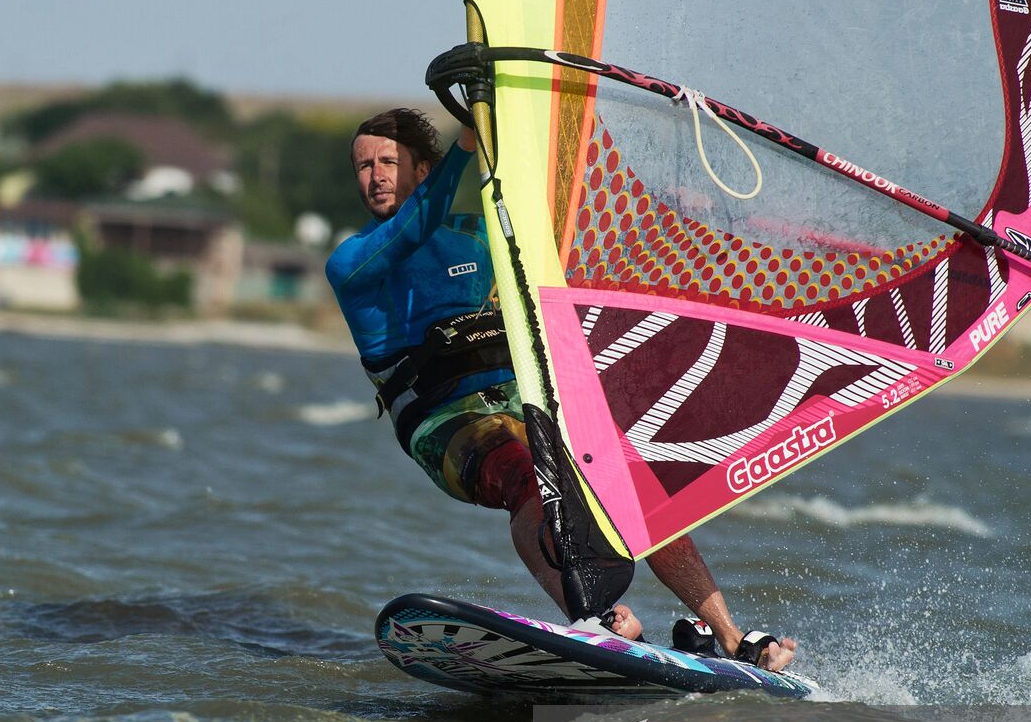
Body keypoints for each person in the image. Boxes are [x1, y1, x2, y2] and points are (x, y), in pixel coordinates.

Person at [327, 108, 796, 671]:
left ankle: (728, 634)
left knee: (631, 483)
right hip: (444, 425)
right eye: (362, 166)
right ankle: (596, 620)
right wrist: (468, 141)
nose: (374, 176)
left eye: (387, 162)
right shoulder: (352, 262)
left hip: (524, 404)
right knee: (525, 472)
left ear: (421, 169)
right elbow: (411, 231)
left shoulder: (480, 245)